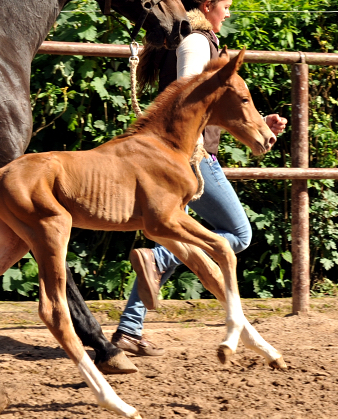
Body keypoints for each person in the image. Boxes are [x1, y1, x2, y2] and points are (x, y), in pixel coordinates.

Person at [111, 0, 288, 356]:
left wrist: (256, 124)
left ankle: (129, 330)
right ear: (207, 6)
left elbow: (208, 104)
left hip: (189, 154)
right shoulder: (195, 41)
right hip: (191, 158)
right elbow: (189, 101)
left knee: (172, 232)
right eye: (225, 6)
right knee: (238, 233)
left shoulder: (196, 40)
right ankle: (159, 260)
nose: (228, 14)